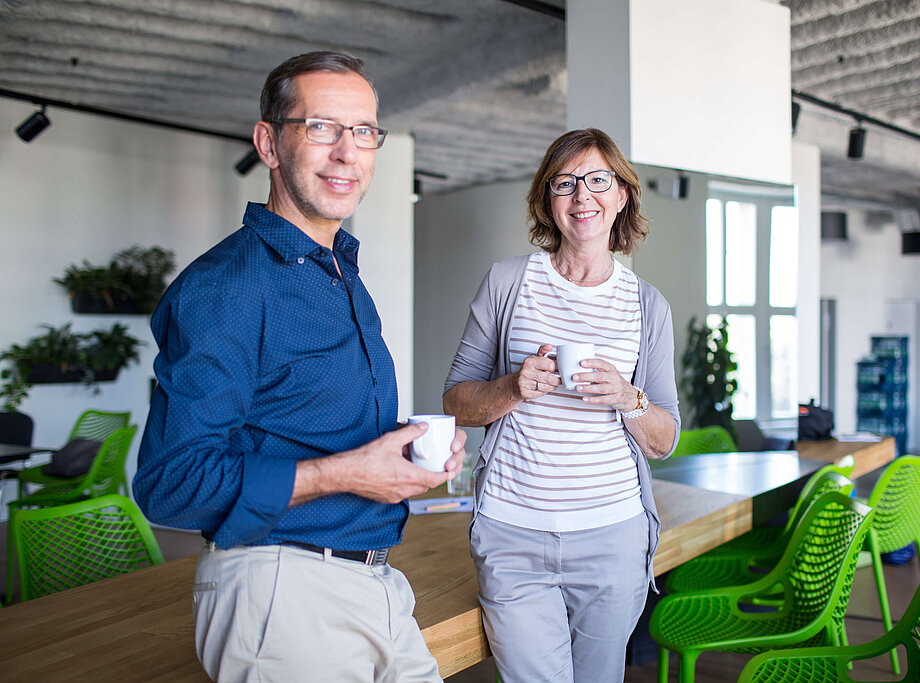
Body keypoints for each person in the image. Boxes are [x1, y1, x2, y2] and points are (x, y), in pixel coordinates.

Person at [133, 51, 465, 683]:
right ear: (268, 142)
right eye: (321, 127)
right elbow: (170, 484)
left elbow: (308, 426)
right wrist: (346, 473)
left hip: (376, 581)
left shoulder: (339, 269)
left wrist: (399, 459)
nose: (347, 152)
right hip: (281, 593)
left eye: (363, 132)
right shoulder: (226, 287)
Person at [443, 128, 681, 683]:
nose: (582, 196)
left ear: (622, 194)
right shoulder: (506, 284)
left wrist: (628, 397)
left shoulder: (648, 306)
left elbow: (665, 438)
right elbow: (455, 402)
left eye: (599, 180)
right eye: (565, 182)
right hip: (511, 532)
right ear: (547, 200)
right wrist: (512, 387)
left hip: (614, 534)